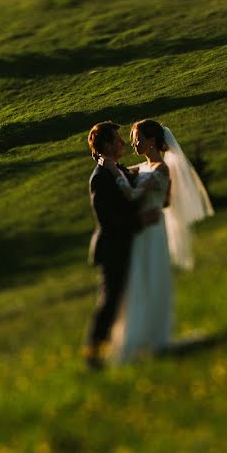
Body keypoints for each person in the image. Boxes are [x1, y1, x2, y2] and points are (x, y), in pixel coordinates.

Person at [101, 119, 214, 363]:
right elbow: (164, 201)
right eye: (132, 139)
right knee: (138, 277)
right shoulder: (142, 167)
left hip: (152, 231)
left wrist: (113, 173)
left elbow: (132, 194)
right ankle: (137, 332)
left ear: (152, 140)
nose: (133, 143)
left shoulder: (161, 169)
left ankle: (154, 334)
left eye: (137, 138)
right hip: (143, 227)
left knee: (152, 274)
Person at [84, 121, 158, 368]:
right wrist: (139, 220)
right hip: (112, 248)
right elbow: (109, 220)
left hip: (125, 245)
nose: (123, 143)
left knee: (126, 298)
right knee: (110, 300)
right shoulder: (100, 179)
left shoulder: (115, 169)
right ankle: (93, 354)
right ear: (106, 145)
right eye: (117, 139)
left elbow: (131, 177)